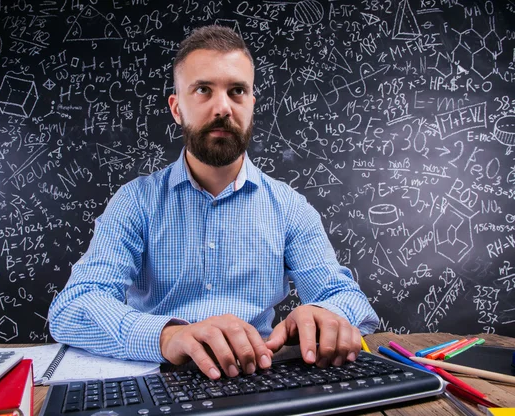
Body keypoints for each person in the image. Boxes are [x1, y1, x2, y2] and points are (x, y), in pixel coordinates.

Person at [48, 25, 379, 380]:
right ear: (177, 108)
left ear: (251, 105)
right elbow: (72, 308)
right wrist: (167, 336)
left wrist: (323, 311)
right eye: (203, 90)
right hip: (159, 377)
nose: (223, 107)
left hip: (261, 376)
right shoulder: (135, 203)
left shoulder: (290, 208)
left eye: (237, 91)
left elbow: (351, 301)